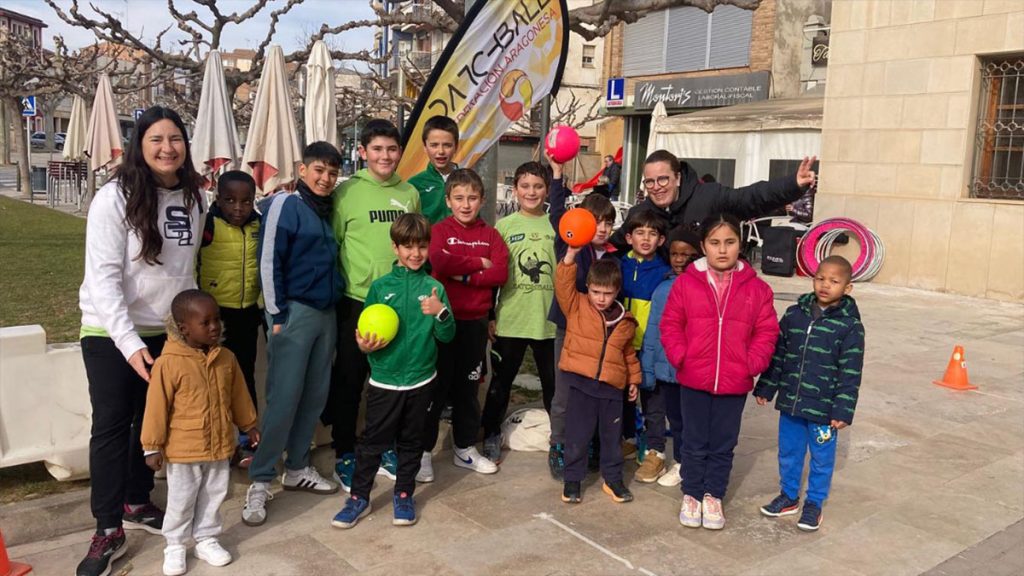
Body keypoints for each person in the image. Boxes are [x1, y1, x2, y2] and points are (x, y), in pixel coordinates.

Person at [76, 106, 203, 576]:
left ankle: (136, 499)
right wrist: (129, 345)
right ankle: (107, 527)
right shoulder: (113, 198)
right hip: (109, 332)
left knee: (152, 424)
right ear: (140, 145)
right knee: (112, 425)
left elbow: (184, 270)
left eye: (175, 138)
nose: (167, 148)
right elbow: (104, 279)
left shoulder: (193, 195)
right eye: (156, 139)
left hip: (168, 331)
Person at [242, 142, 345, 527]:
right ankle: (260, 478)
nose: (326, 178)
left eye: (333, 173)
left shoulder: (326, 209)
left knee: (315, 395)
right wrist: (277, 313)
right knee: (284, 398)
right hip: (294, 313)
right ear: (302, 169)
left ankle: (298, 466)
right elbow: (269, 259)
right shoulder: (286, 204)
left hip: (326, 312)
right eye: (319, 170)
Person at [331, 214, 456, 529]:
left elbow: (447, 335)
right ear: (395, 247)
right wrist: (364, 346)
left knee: (412, 441)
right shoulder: (380, 287)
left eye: (422, 247)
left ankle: (403, 494)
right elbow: (366, 335)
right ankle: (359, 498)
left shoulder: (434, 288)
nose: (415, 254)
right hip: (384, 380)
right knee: (372, 442)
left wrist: (439, 313)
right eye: (408, 247)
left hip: (421, 379)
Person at [660, 213, 779, 530]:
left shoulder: (758, 289)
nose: (722, 250)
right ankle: (692, 494)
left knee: (723, 444)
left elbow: (767, 332)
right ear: (703, 246)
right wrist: (681, 356)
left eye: (730, 242)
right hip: (694, 378)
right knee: (693, 441)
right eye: (715, 243)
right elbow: (671, 325)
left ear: (741, 244)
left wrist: (751, 363)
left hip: (734, 382)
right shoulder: (687, 283)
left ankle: (713, 495)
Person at [329, 119, 420, 491]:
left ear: (400, 152)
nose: (385, 156)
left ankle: (384, 448)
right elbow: (334, 244)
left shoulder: (410, 193)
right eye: (377, 149)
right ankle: (345, 452)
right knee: (351, 381)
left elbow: (414, 244)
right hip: (356, 302)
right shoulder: (346, 192)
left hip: (399, 301)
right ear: (363, 152)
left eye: (392, 149)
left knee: (394, 380)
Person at [141, 290, 259, 575]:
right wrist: (152, 446)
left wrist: (249, 425)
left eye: (216, 319)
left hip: (219, 446)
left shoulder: (226, 358)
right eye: (205, 323)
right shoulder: (168, 363)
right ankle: (176, 544)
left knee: (214, 494)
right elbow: (156, 406)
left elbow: (239, 395)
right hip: (184, 449)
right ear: (184, 328)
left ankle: (207, 538)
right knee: (182, 499)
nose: (214, 326)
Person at [754, 255, 865, 532]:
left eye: (834, 281)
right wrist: (767, 386)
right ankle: (789, 496)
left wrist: (842, 410)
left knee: (822, 457)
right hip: (791, 403)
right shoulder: (794, 315)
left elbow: (851, 372)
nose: (825, 285)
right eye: (820, 278)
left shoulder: (850, 327)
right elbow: (779, 355)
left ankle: (814, 502)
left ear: (847, 288)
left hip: (824, 411)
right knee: (789, 452)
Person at [422, 168, 509, 478]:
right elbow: (439, 261)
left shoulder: (491, 234)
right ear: (448, 201)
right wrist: (476, 265)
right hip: (442, 321)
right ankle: (422, 452)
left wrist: (463, 276)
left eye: (472, 198)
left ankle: (464, 448)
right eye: (459, 198)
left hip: (474, 323)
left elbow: (499, 273)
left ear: (482, 200)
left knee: (468, 389)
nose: (466, 204)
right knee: (435, 388)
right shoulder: (440, 231)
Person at [481, 161, 558, 463]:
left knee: (554, 387)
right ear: (515, 190)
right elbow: (492, 277)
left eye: (538, 186)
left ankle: (559, 441)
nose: (531, 192)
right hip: (511, 320)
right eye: (525, 186)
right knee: (501, 383)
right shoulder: (504, 226)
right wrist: (490, 315)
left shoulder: (556, 225)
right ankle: (490, 434)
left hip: (548, 323)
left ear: (547, 190)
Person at [546, 160, 619, 480]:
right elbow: (556, 215)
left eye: (607, 223)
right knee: (564, 394)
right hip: (570, 329)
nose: (601, 228)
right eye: (596, 222)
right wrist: (558, 176)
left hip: (601, 337)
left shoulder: (616, 254)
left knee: (593, 394)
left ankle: (588, 445)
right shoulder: (572, 244)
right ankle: (558, 446)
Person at [556, 247, 641, 504]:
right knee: (577, 436)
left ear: (616, 291)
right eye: (595, 292)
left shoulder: (625, 320)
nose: (601, 299)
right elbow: (563, 284)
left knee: (611, 438)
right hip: (581, 384)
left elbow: (627, 353)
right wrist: (570, 256)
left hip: (611, 389)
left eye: (607, 293)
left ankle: (613, 479)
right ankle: (572, 480)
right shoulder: (577, 306)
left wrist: (634, 380)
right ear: (588, 288)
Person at [609, 150, 817, 252]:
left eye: (663, 179)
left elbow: (750, 198)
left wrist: (792, 184)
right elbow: (614, 246)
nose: (657, 187)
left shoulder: (709, 196)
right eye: (650, 182)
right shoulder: (640, 213)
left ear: (678, 177)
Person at [197, 170, 262, 466]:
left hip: (248, 312)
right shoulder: (207, 225)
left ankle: (248, 441)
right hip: (214, 318)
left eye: (246, 201)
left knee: (244, 377)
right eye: (230, 200)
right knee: (212, 381)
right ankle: (211, 443)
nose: (238, 208)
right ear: (218, 198)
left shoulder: (259, 225)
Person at [640, 226, 702, 489]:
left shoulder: (701, 288)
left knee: (682, 420)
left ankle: (683, 461)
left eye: (686, 254)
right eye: (675, 254)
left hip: (685, 369)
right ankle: (658, 454)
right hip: (661, 366)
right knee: (657, 412)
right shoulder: (662, 287)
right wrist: (648, 367)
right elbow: (653, 331)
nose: (679, 259)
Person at [616, 211, 671, 481]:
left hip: (650, 349)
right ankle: (629, 438)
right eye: (640, 233)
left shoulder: (664, 272)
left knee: (653, 400)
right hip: (622, 348)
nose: (646, 238)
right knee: (624, 397)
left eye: (652, 234)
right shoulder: (618, 265)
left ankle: (655, 451)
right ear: (629, 237)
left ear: (661, 240)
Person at [408, 115, 459, 224]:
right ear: (425, 147)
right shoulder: (414, 185)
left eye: (447, 145)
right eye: (434, 145)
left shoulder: (468, 182)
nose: (441, 151)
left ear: (456, 146)